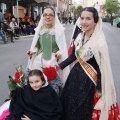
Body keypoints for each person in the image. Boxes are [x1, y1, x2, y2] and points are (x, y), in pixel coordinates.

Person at [56, 7, 118, 120]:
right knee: (70, 106)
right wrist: (60, 66)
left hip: (89, 82)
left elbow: (102, 67)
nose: (84, 22)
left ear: (95, 21)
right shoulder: (80, 37)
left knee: (83, 109)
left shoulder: (99, 41)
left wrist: (99, 88)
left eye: (88, 19)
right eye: (82, 18)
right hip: (75, 77)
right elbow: (74, 55)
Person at [27, 6, 69, 96]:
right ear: (43, 16)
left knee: (52, 87)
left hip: (53, 62)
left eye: (50, 15)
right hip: (39, 61)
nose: (48, 17)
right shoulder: (39, 30)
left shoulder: (58, 31)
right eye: (45, 14)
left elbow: (62, 48)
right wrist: (32, 51)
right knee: (37, 85)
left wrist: (59, 54)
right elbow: (37, 45)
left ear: (54, 17)